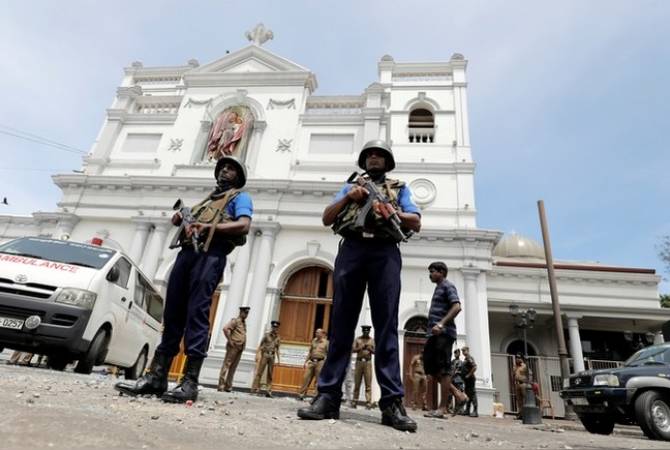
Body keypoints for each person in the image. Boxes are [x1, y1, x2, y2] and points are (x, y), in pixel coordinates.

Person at [298, 140, 421, 432]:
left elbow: (415, 221)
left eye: (379, 155)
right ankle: (328, 396)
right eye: (370, 155)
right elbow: (328, 217)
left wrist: (391, 212)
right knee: (341, 324)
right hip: (352, 249)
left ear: (387, 161)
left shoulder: (399, 188)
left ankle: (392, 402)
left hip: (385, 252)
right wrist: (349, 197)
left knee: (387, 326)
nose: (374, 158)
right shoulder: (350, 185)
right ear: (363, 161)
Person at [115, 156, 253, 404]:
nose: (224, 171)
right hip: (186, 256)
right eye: (222, 167)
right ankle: (157, 377)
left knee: (197, 313)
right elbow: (190, 223)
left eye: (230, 169)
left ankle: (190, 381)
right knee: (173, 315)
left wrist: (206, 227)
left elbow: (243, 225)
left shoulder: (239, 198)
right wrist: (182, 221)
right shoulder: (206, 200)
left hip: (210, 256)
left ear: (239, 177)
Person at [422, 262, 468, 419]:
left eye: (433, 271)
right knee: (430, 367)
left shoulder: (448, 286)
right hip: (433, 335)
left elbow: (456, 307)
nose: (430, 274)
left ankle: (442, 408)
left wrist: (441, 324)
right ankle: (458, 394)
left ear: (442, 272)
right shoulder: (438, 287)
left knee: (444, 368)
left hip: (444, 334)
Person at [218, 306, 250, 392]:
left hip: (240, 347)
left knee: (233, 367)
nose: (246, 315)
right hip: (233, 346)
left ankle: (228, 386)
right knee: (226, 365)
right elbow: (225, 329)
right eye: (245, 312)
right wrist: (230, 340)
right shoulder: (235, 321)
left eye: (247, 313)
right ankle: (221, 385)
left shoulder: (243, 323)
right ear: (241, 312)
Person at [251, 321, 281, 397]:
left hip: (272, 356)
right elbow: (260, 345)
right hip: (265, 355)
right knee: (260, 372)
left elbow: (277, 349)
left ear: (278, 328)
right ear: (272, 327)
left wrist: (278, 359)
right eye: (274, 327)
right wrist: (257, 354)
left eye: (276, 327)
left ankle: (269, 391)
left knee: (270, 374)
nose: (275, 328)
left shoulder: (278, 337)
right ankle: (254, 389)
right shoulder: (266, 335)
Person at [298, 329, 329, 400]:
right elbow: (310, 352)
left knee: (318, 380)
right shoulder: (314, 341)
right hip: (311, 362)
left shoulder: (326, 342)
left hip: (320, 362)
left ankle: (316, 396)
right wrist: (305, 361)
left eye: (318, 332)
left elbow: (328, 353)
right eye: (316, 332)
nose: (316, 333)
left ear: (322, 334)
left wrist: (325, 363)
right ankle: (302, 394)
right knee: (306, 377)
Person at [351, 325, 375, 408]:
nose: (366, 332)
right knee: (357, 382)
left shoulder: (372, 340)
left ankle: (368, 402)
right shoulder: (358, 339)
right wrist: (359, 348)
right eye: (364, 331)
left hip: (368, 363)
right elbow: (352, 350)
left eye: (367, 331)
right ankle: (354, 401)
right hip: (359, 362)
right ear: (362, 331)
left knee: (368, 383)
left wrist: (370, 349)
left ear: (369, 331)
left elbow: (376, 351)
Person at [461, 346, 478, 417]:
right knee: (468, 394)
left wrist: (468, 375)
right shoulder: (466, 359)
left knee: (472, 394)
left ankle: (475, 411)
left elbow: (474, 367)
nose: (463, 352)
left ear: (468, 350)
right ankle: (467, 410)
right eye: (462, 351)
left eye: (464, 350)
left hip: (470, 379)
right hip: (467, 380)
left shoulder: (469, 358)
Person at [514, 355, 529, 419]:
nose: (518, 359)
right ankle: (520, 414)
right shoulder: (515, 366)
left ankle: (526, 414)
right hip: (517, 384)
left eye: (519, 358)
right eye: (517, 358)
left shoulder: (524, 366)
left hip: (523, 384)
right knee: (519, 400)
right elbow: (514, 374)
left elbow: (529, 373)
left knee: (525, 399)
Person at [449, 348, 464, 413]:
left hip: (458, 380)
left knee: (458, 394)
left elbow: (458, 371)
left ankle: (458, 409)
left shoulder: (461, 362)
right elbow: (450, 369)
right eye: (455, 353)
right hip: (452, 380)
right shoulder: (452, 361)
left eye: (457, 353)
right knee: (450, 394)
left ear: (459, 354)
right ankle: (450, 408)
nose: (456, 354)